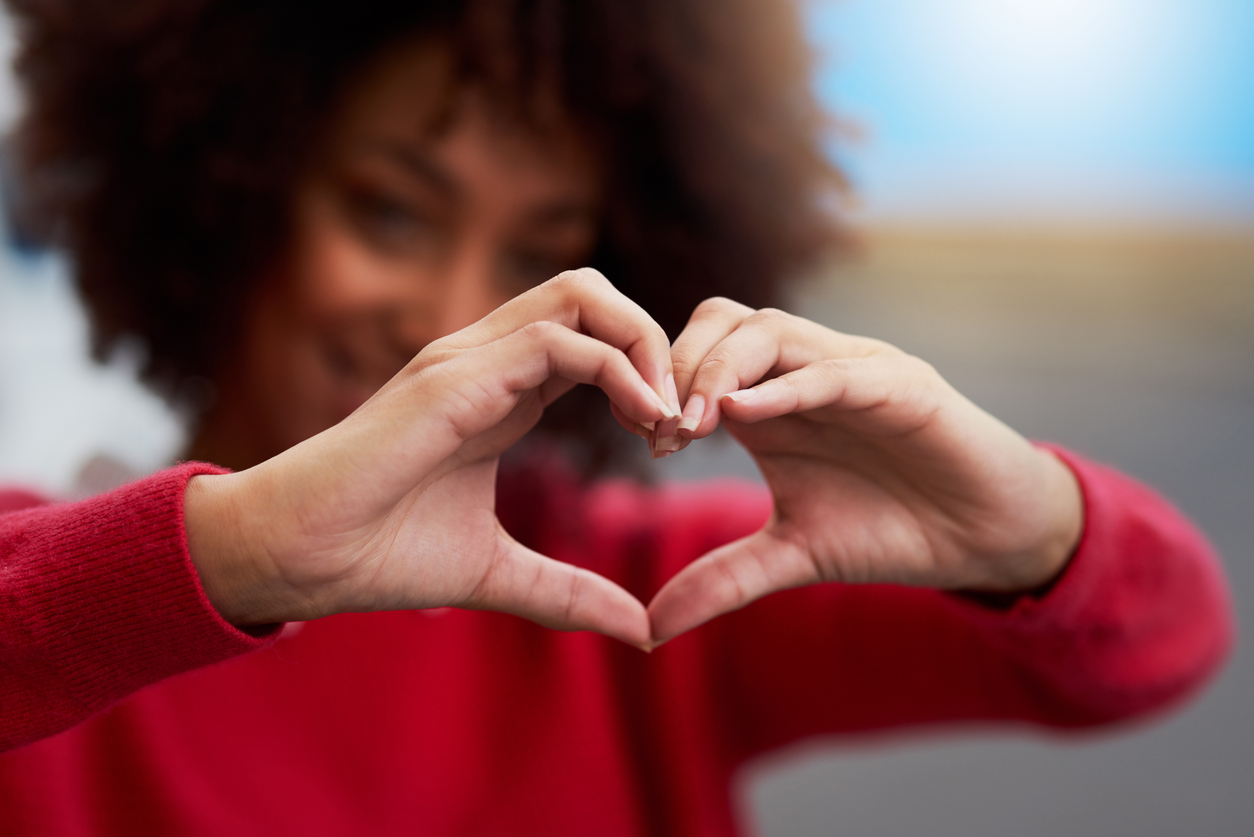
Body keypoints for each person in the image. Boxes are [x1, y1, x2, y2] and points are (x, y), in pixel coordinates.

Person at [0, 0, 1234, 834]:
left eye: (543, 255)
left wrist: (1021, 517)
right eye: (390, 212)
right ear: (230, 192)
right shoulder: (73, 600)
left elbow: (1159, 651)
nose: (450, 318)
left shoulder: (653, 596)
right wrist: (244, 554)